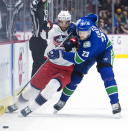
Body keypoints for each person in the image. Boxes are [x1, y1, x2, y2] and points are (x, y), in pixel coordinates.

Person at [7, 10, 78, 116]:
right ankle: (17, 104)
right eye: (61, 22)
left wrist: (74, 39)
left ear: (70, 21)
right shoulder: (54, 28)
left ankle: (30, 109)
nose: (64, 24)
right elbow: (44, 36)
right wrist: (45, 28)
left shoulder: (75, 30)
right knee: (33, 88)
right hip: (50, 64)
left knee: (53, 86)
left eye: (66, 22)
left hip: (67, 68)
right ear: (58, 21)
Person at [49, 14, 121, 116]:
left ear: (90, 31)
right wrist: (73, 30)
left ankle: (115, 103)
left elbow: (78, 59)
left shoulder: (91, 43)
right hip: (88, 52)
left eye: (85, 32)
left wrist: (60, 53)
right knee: (75, 78)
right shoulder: (83, 22)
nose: (82, 35)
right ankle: (62, 100)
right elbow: (94, 16)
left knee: (107, 74)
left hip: (104, 51)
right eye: (80, 32)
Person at [29, 0, 51, 76]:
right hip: (36, 39)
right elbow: (38, 19)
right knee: (38, 63)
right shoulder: (36, 3)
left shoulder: (44, 5)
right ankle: (33, 84)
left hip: (42, 40)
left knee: (44, 63)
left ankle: (39, 84)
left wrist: (47, 26)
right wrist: (44, 26)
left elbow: (43, 21)